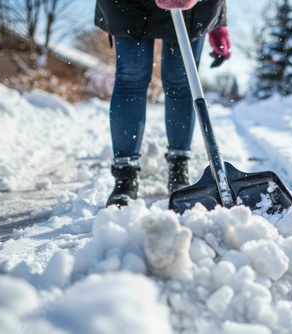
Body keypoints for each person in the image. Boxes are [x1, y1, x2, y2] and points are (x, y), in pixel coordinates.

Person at [94, 0, 231, 207]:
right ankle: (125, 176)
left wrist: (218, 24)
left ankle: (179, 170)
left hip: (192, 6)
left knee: (181, 81)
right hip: (130, 6)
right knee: (131, 77)